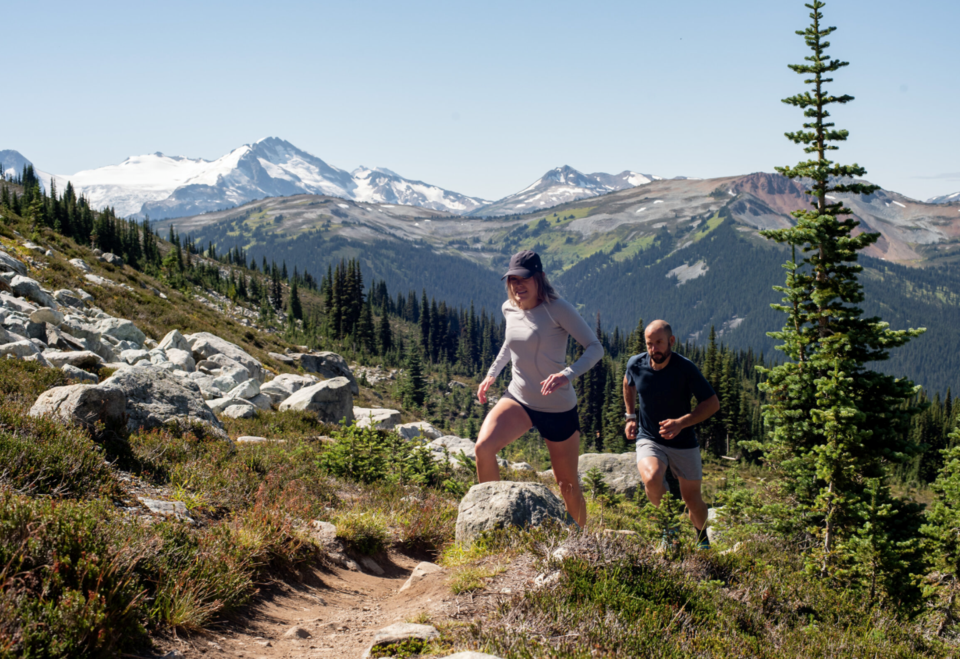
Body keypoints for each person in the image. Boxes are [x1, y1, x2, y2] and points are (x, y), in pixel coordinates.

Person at [475, 250, 603, 527]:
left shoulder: (558, 309)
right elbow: (511, 342)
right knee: (483, 448)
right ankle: (491, 524)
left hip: (557, 407)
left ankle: (580, 542)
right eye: (512, 280)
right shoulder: (509, 307)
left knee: (566, 483)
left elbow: (595, 348)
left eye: (524, 279)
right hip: (519, 398)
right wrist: (491, 375)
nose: (517, 286)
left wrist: (566, 375)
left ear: (540, 278)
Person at [623, 320, 720, 550]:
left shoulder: (685, 368)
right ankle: (670, 527)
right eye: (649, 344)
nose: (654, 349)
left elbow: (712, 403)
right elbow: (628, 383)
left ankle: (701, 538)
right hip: (650, 437)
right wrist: (630, 416)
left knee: (693, 501)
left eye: (659, 343)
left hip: (684, 442)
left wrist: (681, 423)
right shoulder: (636, 364)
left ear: (671, 341)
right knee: (652, 478)